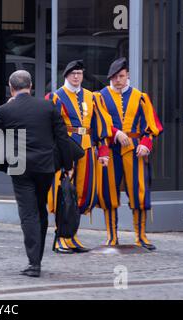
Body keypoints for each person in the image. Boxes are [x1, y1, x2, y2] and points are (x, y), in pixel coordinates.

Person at [0, 70, 73, 278]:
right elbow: (62, 137)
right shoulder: (48, 106)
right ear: (31, 85)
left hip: (20, 168)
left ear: (11, 87)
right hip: (45, 167)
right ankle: (37, 259)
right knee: (40, 209)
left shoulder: (5, 110)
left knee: (28, 213)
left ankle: (34, 263)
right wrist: (68, 165)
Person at [95, 57, 163, 250]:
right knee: (109, 192)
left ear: (128, 76)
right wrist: (115, 133)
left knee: (139, 192)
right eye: (115, 77)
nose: (118, 80)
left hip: (136, 151)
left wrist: (146, 143)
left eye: (122, 76)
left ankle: (141, 236)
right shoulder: (100, 97)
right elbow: (97, 122)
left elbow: (152, 125)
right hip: (110, 149)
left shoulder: (140, 96)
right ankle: (112, 237)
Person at [46, 60, 113, 254]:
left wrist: (103, 152)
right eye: (73, 73)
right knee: (64, 193)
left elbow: (100, 125)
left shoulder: (92, 97)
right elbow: (51, 127)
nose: (76, 76)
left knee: (83, 194)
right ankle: (60, 237)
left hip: (88, 149)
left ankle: (72, 235)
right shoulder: (56, 97)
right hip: (65, 149)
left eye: (80, 73)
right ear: (66, 75)